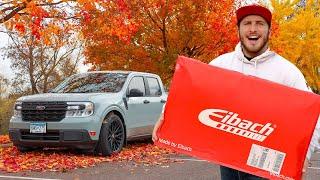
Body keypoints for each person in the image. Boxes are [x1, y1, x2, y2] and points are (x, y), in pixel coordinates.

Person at [152, 4, 320, 180]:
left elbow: (313, 117)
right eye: (247, 23)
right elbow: (190, 93)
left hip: (265, 162)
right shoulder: (221, 65)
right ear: (238, 30)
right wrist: (165, 116)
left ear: (269, 30)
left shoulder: (287, 72)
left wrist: (305, 154)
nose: (253, 29)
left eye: (260, 23)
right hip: (228, 160)